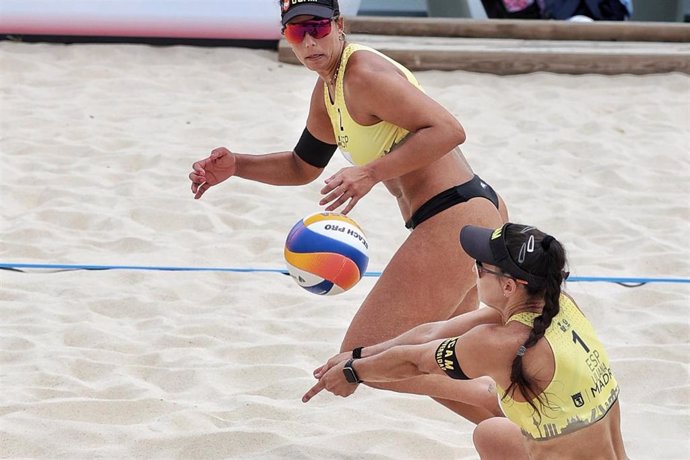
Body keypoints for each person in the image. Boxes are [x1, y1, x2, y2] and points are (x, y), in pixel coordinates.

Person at [188, 0, 508, 422]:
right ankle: (523, 439)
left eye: (317, 27)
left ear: (340, 25)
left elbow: (449, 129)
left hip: (457, 218)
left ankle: (494, 397)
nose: (309, 41)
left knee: (362, 357)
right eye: (295, 32)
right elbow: (303, 165)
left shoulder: (364, 75)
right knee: (428, 361)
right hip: (467, 217)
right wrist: (238, 166)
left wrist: (371, 172)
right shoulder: (327, 90)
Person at [303, 223, 627, 459]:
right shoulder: (557, 305)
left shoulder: (499, 343)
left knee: (492, 433)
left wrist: (353, 373)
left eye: (480, 267)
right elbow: (432, 333)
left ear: (510, 286)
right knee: (495, 431)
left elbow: (415, 362)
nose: (475, 272)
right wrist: (357, 354)